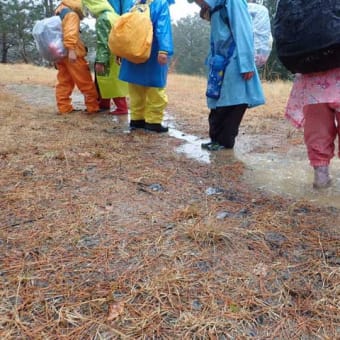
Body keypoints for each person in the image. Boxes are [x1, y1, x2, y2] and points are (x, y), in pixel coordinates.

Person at [189, 0, 265, 150]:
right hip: (219, 62)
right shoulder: (216, 6)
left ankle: (224, 142)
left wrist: (247, 64)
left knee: (233, 104)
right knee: (217, 104)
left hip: (236, 61)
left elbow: (243, 30)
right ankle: (216, 139)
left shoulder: (234, 2)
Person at [118, 0, 175, 133]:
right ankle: (153, 122)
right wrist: (164, 50)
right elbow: (163, 27)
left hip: (132, 53)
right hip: (153, 52)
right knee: (155, 89)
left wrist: (121, 51)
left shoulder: (133, 4)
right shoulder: (160, 4)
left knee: (135, 89)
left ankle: (137, 120)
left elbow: (123, 29)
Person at [83, 0, 130, 115]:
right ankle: (104, 104)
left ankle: (121, 107)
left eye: (88, 9)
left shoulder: (102, 19)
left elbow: (103, 42)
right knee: (109, 80)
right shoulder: (114, 15)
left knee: (109, 80)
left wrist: (100, 61)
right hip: (117, 54)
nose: (89, 13)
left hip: (108, 56)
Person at [54, 0, 100, 114]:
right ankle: (92, 107)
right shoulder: (71, 14)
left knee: (64, 81)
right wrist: (71, 50)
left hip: (60, 53)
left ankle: (64, 108)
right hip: (73, 54)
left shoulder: (59, 11)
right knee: (85, 81)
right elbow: (70, 33)